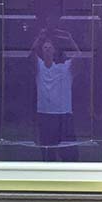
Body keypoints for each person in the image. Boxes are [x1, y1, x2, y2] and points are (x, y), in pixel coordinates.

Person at [31, 27, 77, 156]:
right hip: (44, 113)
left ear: (54, 51)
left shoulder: (64, 68)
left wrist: (70, 39)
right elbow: (30, 55)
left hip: (64, 113)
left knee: (67, 151)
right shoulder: (39, 67)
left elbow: (80, 57)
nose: (47, 50)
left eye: (50, 48)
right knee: (47, 150)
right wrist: (39, 38)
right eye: (45, 48)